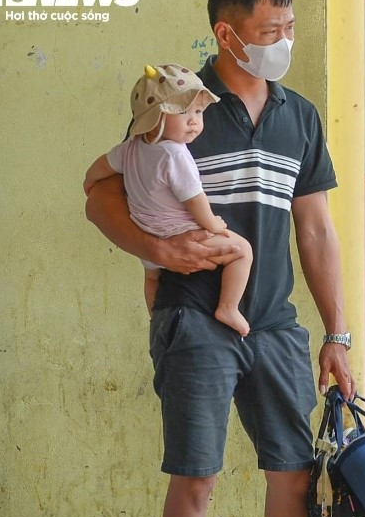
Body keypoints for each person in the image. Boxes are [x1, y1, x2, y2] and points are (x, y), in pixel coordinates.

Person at [84, 0, 354, 517]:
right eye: (268, 30)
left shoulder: (300, 117)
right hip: (194, 321)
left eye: (289, 27)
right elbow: (100, 195)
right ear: (225, 35)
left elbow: (314, 229)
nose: (282, 41)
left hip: (277, 326)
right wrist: (156, 251)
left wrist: (337, 332)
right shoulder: (178, 107)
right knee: (196, 480)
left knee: (293, 478)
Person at [84, 63, 253, 336]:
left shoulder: (130, 148)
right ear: (156, 118)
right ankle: (229, 307)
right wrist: (213, 224)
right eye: (183, 112)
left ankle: (155, 319)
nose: (194, 121)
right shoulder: (176, 154)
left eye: (198, 111)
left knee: (152, 277)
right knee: (242, 250)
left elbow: (101, 166)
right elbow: (194, 199)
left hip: (148, 233)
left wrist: (88, 181)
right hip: (182, 233)